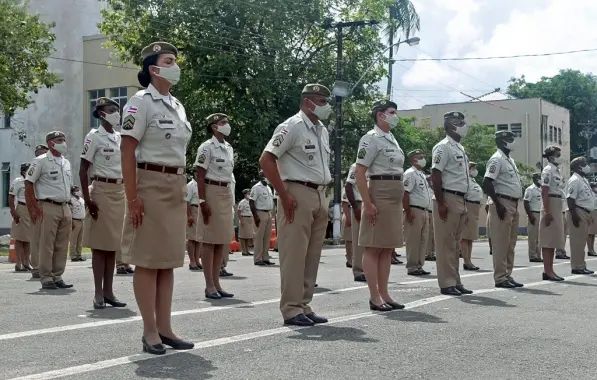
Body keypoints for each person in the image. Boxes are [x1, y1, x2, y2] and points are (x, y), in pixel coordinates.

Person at [120, 41, 194, 354]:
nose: (175, 65)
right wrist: (133, 197)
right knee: (148, 262)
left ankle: (166, 328)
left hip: (175, 183)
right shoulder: (140, 102)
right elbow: (127, 150)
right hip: (149, 183)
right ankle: (149, 330)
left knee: (167, 262)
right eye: (169, 60)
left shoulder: (177, 105)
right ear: (154, 68)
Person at [259, 83, 333, 326]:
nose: (326, 106)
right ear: (307, 101)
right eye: (321, 101)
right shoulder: (292, 126)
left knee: (312, 255)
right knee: (294, 254)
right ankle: (291, 308)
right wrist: (284, 193)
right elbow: (267, 160)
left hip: (319, 193)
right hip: (297, 192)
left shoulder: (322, 130)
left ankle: (304, 304)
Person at [354, 99, 406, 311]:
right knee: (374, 246)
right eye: (392, 112)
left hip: (394, 194)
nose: (395, 116)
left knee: (386, 247)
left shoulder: (392, 139)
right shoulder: (370, 138)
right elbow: (360, 173)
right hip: (380, 192)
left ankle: (385, 294)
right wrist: (368, 203)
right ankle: (374, 296)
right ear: (380, 115)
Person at [80, 96, 128, 309]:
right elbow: (83, 169)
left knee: (112, 246)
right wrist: (87, 199)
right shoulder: (94, 137)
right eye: (112, 109)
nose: (117, 113)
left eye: (117, 109)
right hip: (101, 190)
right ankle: (98, 293)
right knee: (100, 247)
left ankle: (109, 292)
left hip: (119, 191)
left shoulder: (119, 137)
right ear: (101, 113)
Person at [430, 111, 473, 296]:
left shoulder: (459, 148)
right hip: (447, 197)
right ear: (449, 125)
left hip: (460, 198)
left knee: (455, 244)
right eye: (458, 122)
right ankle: (447, 283)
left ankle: (455, 280)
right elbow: (435, 174)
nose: (463, 124)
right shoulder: (443, 147)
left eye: (463, 121)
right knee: (446, 243)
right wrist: (441, 202)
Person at [25, 131, 74, 290]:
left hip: (65, 206)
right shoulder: (40, 161)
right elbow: (29, 183)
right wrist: (33, 207)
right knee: (47, 244)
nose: (64, 143)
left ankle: (57, 275)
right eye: (60, 140)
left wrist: (70, 207)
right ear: (51, 143)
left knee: (62, 244)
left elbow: (69, 187)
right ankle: (46, 277)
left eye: (64, 139)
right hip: (48, 206)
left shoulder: (65, 162)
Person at [194, 113, 235, 299]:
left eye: (226, 122)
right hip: (211, 191)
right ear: (213, 127)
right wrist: (202, 201)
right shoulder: (206, 147)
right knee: (209, 240)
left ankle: (217, 283)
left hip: (225, 192)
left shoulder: (228, 148)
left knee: (221, 240)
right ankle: (209, 285)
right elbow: (200, 175)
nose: (226, 125)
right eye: (222, 123)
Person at [482, 131, 523, 288]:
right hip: (502, 203)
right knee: (501, 243)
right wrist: (498, 205)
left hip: (512, 204)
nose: (513, 141)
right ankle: (500, 277)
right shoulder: (497, 159)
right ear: (502, 141)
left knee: (510, 243)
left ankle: (507, 274)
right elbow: (487, 182)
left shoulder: (509, 160)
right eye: (510, 139)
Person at [402, 149, 432, 276]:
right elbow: (405, 193)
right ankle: (412, 266)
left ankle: (419, 265)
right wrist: (408, 211)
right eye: (420, 157)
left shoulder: (421, 174)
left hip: (424, 211)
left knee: (423, 240)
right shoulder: (410, 173)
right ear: (414, 159)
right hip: (414, 210)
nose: (423, 159)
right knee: (413, 240)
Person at [539, 145, 565, 281]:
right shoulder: (548, 170)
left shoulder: (557, 170)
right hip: (549, 203)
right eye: (557, 154)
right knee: (548, 240)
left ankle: (551, 270)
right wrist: (547, 211)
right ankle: (547, 271)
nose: (559, 157)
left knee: (553, 239)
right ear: (550, 156)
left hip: (556, 202)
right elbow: (544, 191)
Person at [565, 157, 594, 274]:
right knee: (577, 242)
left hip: (584, 212)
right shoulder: (575, 180)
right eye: (584, 164)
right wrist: (574, 215)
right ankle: (577, 267)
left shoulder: (583, 180)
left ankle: (581, 265)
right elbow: (570, 199)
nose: (587, 166)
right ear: (578, 167)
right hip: (578, 212)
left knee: (581, 241)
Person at [29, 144, 49, 279]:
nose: (40, 155)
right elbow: (28, 187)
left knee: (48, 240)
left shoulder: (52, 165)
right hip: (38, 204)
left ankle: (48, 268)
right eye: (38, 153)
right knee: (36, 238)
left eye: (43, 153)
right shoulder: (34, 166)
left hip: (51, 205)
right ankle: (36, 268)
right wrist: (32, 207)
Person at [9, 163, 32, 272]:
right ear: (23, 171)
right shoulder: (18, 181)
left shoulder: (33, 181)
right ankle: (18, 264)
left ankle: (26, 262)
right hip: (22, 209)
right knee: (19, 238)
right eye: (29, 169)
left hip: (31, 210)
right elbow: (11, 196)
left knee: (28, 238)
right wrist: (13, 212)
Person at [345, 163, 366, 282]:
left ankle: (368, 270)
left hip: (370, 205)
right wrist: (355, 207)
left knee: (369, 242)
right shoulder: (356, 166)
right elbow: (348, 186)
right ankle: (358, 271)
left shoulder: (374, 165)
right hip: (359, 204)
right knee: (359, 240)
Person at [249, 171, 275, 266]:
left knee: (267, 237)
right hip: (260, 213)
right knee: (259, 238)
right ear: (262, 177)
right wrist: (255, 216)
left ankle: (265, 258)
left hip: (268, 213)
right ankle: (258, 259)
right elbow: (251, 202)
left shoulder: (268, 188)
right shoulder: (256, 188)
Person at [461, 162, 482, 271]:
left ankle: (469, 260)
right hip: (468, 207)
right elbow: (462, 197)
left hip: (475, 208)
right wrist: (465, 211)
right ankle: (466, 261)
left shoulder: (473, 181)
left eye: (474, 168)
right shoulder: (464, 180)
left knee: (471, 237)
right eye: (472, 168)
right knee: (465, 237)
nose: (474, 170)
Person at [523, 173, 543, 262]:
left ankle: (538, 255)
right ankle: (532, 255)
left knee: (539, 237)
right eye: (539, 178)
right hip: (534, 214)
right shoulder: (530, 189)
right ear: (534, 179)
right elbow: (526, 203)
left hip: (541, 214)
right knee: (533, 237)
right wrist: (530, 216)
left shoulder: (542, 189)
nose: (540, 179)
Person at [185, 177, 202, 271]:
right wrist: (189, 215)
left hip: (200, 210)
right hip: (193, 209)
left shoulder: (202, 184)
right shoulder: (190, 185)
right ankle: (192, 261)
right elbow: (186, 201)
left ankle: (197, 260)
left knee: (198, 238)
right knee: (191, 238)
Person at [68, 186, 86, 262]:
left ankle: (79, 255)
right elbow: (70, 212)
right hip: (75, 221)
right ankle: (73, 255)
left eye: (78, 190)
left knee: (80, 240)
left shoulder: (82, 200)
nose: (78, 191)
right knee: (73, 240)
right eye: (76, 190)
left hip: (82, 221)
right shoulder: (71, 200)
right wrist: (71, 223)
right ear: (72, 192)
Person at [237, 189, 255, 256]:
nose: (249, 194)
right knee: (243, 236)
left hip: (250, 218)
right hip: (244, 218)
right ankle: (244, 251)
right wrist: (241, 220)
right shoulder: (242, 202)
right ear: (245, 194)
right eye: (248, 193)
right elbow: (238, 212)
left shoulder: (251, 202)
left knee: (248, 236)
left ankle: (247, 250)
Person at [425, 174, 436, 261]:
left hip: (434, 213)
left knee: (433, 235)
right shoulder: (427, 190)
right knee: (428, 235)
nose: (431, 181)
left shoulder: (434, 189)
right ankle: (428, 253)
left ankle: (432, 252)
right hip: (428, 212)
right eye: (429, 179)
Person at [341, 186, 353, 268]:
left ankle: (354, 260)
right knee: (349, 240)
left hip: (355, 211)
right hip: (349, 212)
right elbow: (344, 203)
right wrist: (348, 218)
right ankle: (350, 260)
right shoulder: (347, 187)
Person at [588, 182, 597, 256]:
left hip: (595, 212)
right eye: (593, 186)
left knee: (593, 233)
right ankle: (590, 249)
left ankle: (592, 249)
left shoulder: (595, 194)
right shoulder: (590, 194)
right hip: (591, 212)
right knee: (590, 233)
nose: (595, 188)